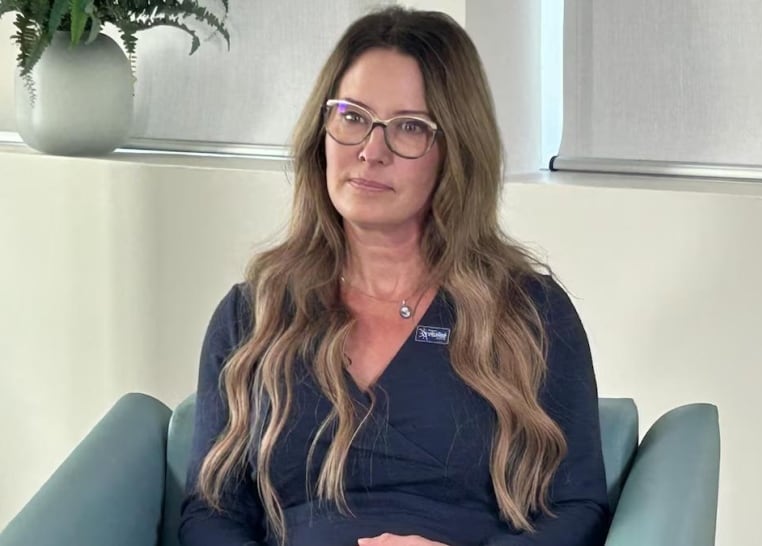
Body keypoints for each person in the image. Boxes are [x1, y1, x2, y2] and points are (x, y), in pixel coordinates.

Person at [180, 7, 609, 546]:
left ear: (455, 151)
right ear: (322, 130)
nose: (370, 150)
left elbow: (577, 506)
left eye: (410, 127)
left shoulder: (530, 313)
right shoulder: (253, 315)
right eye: (352, 116)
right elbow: (210, 512)